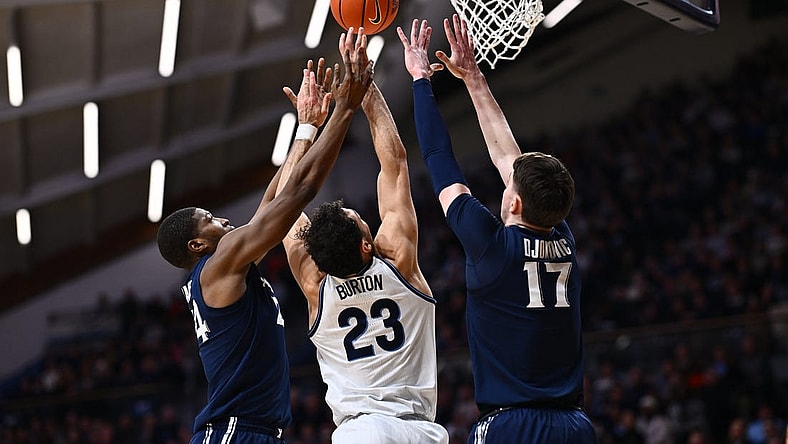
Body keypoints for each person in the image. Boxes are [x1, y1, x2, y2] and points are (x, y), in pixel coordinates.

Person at [398, 16, 598, 443]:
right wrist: (473, 79)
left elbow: (437, 156)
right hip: (574, 426)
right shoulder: (562, 237)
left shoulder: (491, 246)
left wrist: (420, 81)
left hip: (512, 424)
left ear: (515, 201)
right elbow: (511, 159)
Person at [156, 50, 373, 444]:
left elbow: (275, 197)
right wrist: (343, 111)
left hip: (250, 430)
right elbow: (299, 194)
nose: (223, 219)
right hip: (235, 431)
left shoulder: (225, 271)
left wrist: (306, 129)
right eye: (211, 219)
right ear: (197, 243)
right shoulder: (219, 264)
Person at [276, 29, 449, 444]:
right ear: (366, 244)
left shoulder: (315, 285)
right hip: (420, 430)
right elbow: (395, 164)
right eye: (362, 219)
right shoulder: (398, 261)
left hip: (360, 432)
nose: (364, 215)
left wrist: (306, 128)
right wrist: (364, 89)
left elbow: (282, 206)